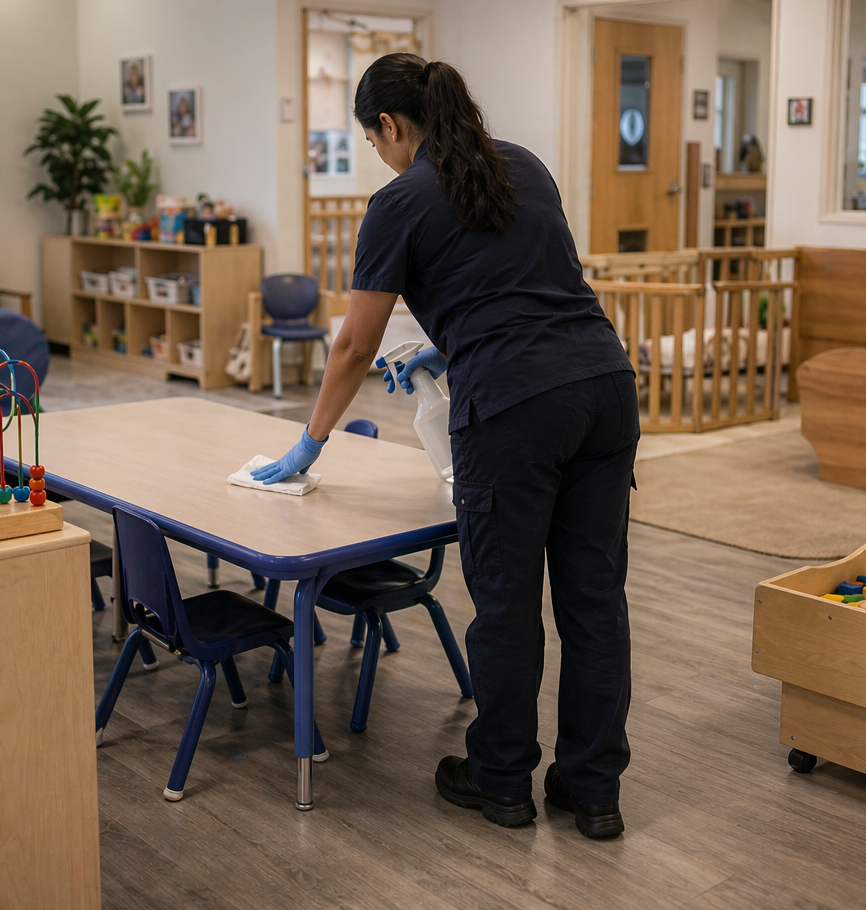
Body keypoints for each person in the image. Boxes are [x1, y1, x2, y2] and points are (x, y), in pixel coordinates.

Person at [252, 52, 637, 839]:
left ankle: (501, 780)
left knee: (505, 604)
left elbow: (354, 347)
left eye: (374, 139)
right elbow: (528, 279)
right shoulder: (523, 165)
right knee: (594, 603)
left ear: (391, 125)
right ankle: (593, 791)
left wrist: (309, 445)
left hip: (515, 407)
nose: (380, 155)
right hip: (602, 385)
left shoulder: (398, 201)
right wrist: (448, 346)